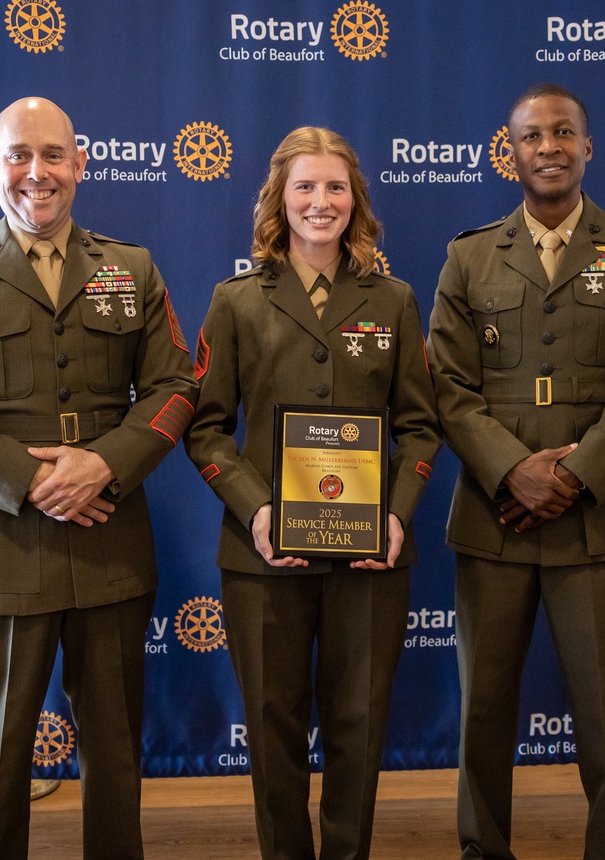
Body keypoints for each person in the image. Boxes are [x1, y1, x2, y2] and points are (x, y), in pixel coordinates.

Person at [0, 96, 198, 859]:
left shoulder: (132, 268)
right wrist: (25, 479)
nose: (37, 172)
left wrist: (105, 463)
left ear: (80, 164)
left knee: (115, 757)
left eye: (53, 154)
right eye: (18, 155)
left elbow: (175, 388)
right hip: (0, 551)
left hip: (109, 543)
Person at [426, 83, 605, 860]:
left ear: (588, 147)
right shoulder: (469, 257)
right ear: (510, 154)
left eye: (564, 133)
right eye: (532, 136)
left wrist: (573, 477)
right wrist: (514, 472)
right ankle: (483, 850)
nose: (549, 148)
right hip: (494, 520)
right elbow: (447, 388)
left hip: (596, 522)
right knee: (483, 713)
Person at [185, 126, 441, 859]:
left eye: (335, 186)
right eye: (305, 186)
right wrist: (257, 509)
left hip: (370, 555)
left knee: (360, 725)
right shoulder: (236, 300)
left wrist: (396, 515)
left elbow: (420, 428)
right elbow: (205, 429)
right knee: (273, 730)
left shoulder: (393, 300)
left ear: (355, 198)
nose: (320, 201)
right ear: (280, 198)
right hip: (263, 554)